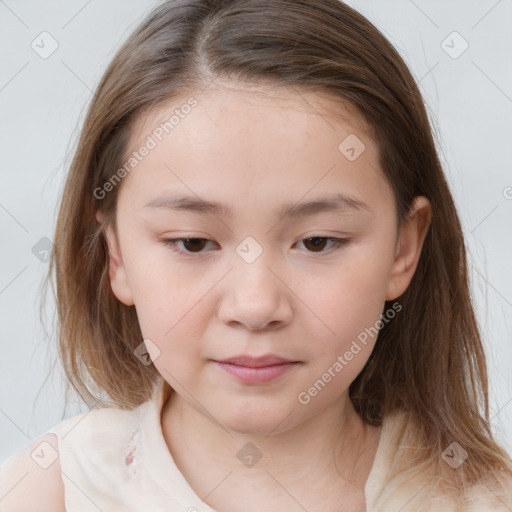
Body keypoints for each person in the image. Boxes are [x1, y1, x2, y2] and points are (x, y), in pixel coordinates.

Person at [1, 0, 511, 510]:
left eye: (317, 242)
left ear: (403, 249)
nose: (255, 306)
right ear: (117, 257)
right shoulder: (52, 493)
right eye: (193, 243)